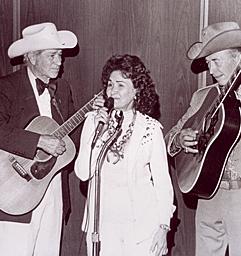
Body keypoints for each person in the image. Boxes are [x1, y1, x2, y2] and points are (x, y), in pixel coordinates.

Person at [165, 22, 241, 255]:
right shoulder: (202, 96)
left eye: (216, 61)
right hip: (208, 192)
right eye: (208, 63)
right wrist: (180, 139)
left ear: (238, 57)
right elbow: (169, 137)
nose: (211, 70)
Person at [0, 22, 78, 255]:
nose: (60, 62)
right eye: (53, 55)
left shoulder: (62, 88)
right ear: (32, 57)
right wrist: (38, 141)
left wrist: (96, 118)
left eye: (61, 56)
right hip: (15, 189)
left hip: (52, 186)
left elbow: (74, 135)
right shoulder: (6, 86)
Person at [75, 54, 175, 256]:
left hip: (142, 228)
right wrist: (98, 133)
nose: (113, 91)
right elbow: (82, 173)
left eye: (120, 85)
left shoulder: (150, 129)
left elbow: (163, 184)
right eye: (110, 85)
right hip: (102, 227)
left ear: (136, 90)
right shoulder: (93, 121)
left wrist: (163, 227)